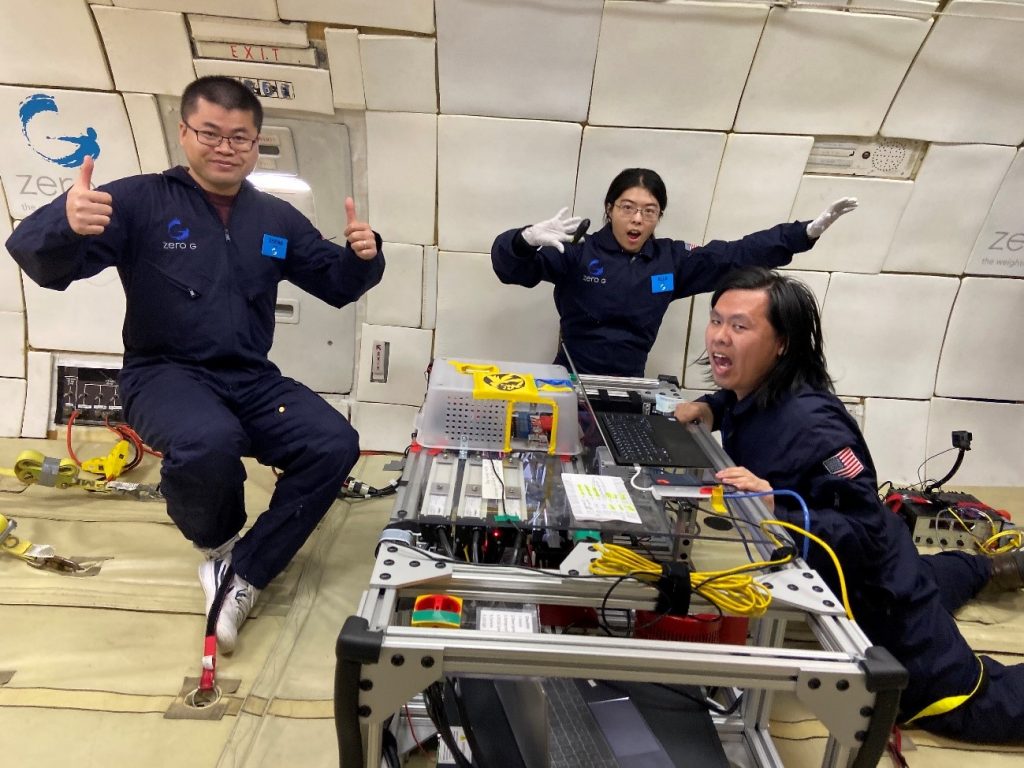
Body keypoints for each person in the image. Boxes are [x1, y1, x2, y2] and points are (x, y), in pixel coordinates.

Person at [6, 76, 385, 653]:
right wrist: (63, 219)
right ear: (184, 134)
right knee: (209, 441)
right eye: (210, 132)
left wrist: (365, 255)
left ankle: (243, 574)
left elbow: (335, 282)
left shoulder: (274, 221)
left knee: (333, 442)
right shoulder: (139, 202)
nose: (225, 147)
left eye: (240, 137)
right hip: (163, 373)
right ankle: (218, 544)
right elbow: (46, 266)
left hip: (250, 376)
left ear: (256, 145)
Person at [674, 267, 1024, 744]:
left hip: (875, 583)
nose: (720, 337)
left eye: (740, 326)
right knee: (936, 575)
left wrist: (778, 508)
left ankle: (985, 587)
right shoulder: (754, 388)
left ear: (782, 344)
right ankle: (998, 568)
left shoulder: (815, 426)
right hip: (880, 552)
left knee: (965, 705)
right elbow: (742, 404)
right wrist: (711, 407)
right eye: (716, 321)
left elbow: (863, 531)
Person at [491, 167, 857, 377]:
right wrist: (523, 240)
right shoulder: (577, 251)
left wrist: (802, 233)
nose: (637, 219)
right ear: (609, 208)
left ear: (659, 216)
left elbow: (735, 254)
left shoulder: (670, 260)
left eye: (649, 211)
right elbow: (510, 270)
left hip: (632, 387)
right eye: (627, 207)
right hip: (569, 380)